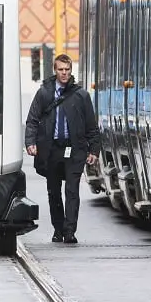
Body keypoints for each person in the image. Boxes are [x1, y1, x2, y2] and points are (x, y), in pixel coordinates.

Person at [25, 53, 99, 244]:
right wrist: (30, 142)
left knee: (72, 190)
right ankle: (58, 229)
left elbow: (91, 125)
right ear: (55, 70)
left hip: (75, 149)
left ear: (71, 70)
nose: (64, 73)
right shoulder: (44, 93)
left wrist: (94, 150)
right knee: (53, 191)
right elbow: (32, 119)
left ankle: (69, 231)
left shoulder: (81, 95)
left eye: (67, 70)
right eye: (60, 70)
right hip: (52, 150)